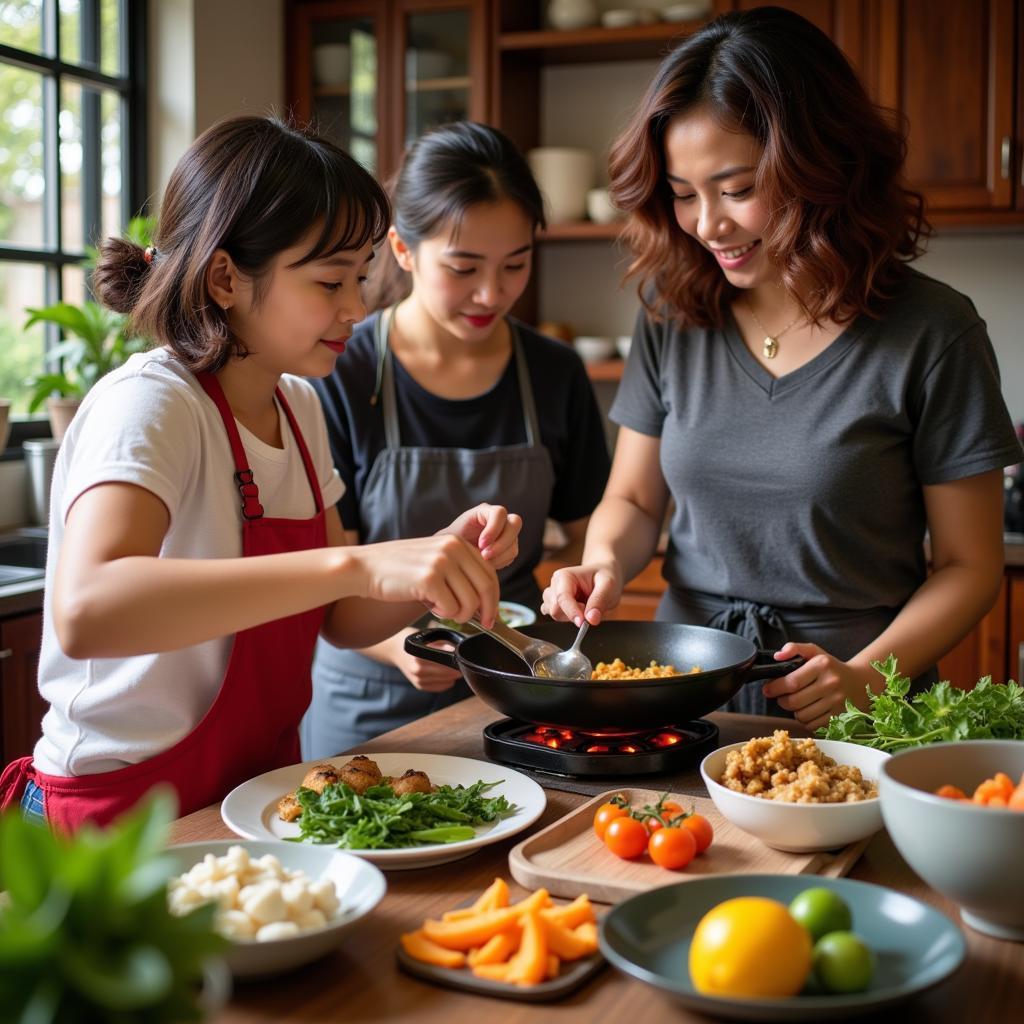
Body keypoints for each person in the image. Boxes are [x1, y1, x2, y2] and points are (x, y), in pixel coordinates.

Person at [0, 115, 521, 832]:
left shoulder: (298, 404)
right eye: (331, 280)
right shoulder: (153, 402)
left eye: (362, 276)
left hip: (245, 801)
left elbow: (340, 618)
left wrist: (437, 562)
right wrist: (354, 562)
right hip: (113, 819)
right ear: (225, 278)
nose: (356, 305)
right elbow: (89, 608)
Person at [541, 7, 1023, 729]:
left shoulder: (933, 332)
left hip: (855, 712)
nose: (707, 224)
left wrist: (867, 679)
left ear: (819, 165)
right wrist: (605, 561)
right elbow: (636, 503)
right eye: (682, 193)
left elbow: (969, 566)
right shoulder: (673, 316)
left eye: (736, 188)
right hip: (687, 692)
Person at [302, 121, 610, 758]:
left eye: (516, 264)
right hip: (369, 700)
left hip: (518, 693)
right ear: (403, 249)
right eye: (463, 267)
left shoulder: (554, 372)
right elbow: (326, 576)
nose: (492, 293)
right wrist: (399, 649)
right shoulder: (340, 369)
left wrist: (570, 588)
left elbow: (587, 532)